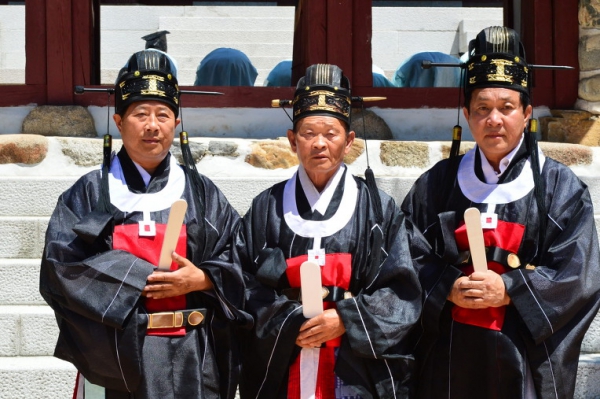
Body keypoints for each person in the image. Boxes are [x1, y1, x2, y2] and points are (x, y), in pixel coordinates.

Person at [401, 26, 600, 398]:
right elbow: (403, 255)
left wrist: (510, 289)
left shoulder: (560, 188)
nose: (494, 119)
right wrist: (447, 286)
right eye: (482, 108)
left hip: (522, 352)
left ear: (526, 114)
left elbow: (578, 275)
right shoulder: (438, 183)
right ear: (466, 114)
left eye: (506, 108)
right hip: (450, 353)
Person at [40, 49, 251, 399]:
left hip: (192, 354)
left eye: (163, 115)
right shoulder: (90, 192)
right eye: (140, 114)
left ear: (176, 124)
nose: (153, 125)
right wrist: (141, 278)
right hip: (119, 355)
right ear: (119, 122)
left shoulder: (201, 192)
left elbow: (239, 255)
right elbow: (61, 267)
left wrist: (203, 278)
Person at [235, 63, 421, 399]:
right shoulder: (266, 207)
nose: (319, 144)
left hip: (356, 369)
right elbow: (242, 282)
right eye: (308, 133)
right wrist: (289, 321)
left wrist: (346, 320)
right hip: (284, 361)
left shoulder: (379, 209)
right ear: (292, 141)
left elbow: (402, 291)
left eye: (331, 134)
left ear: (349, 141)